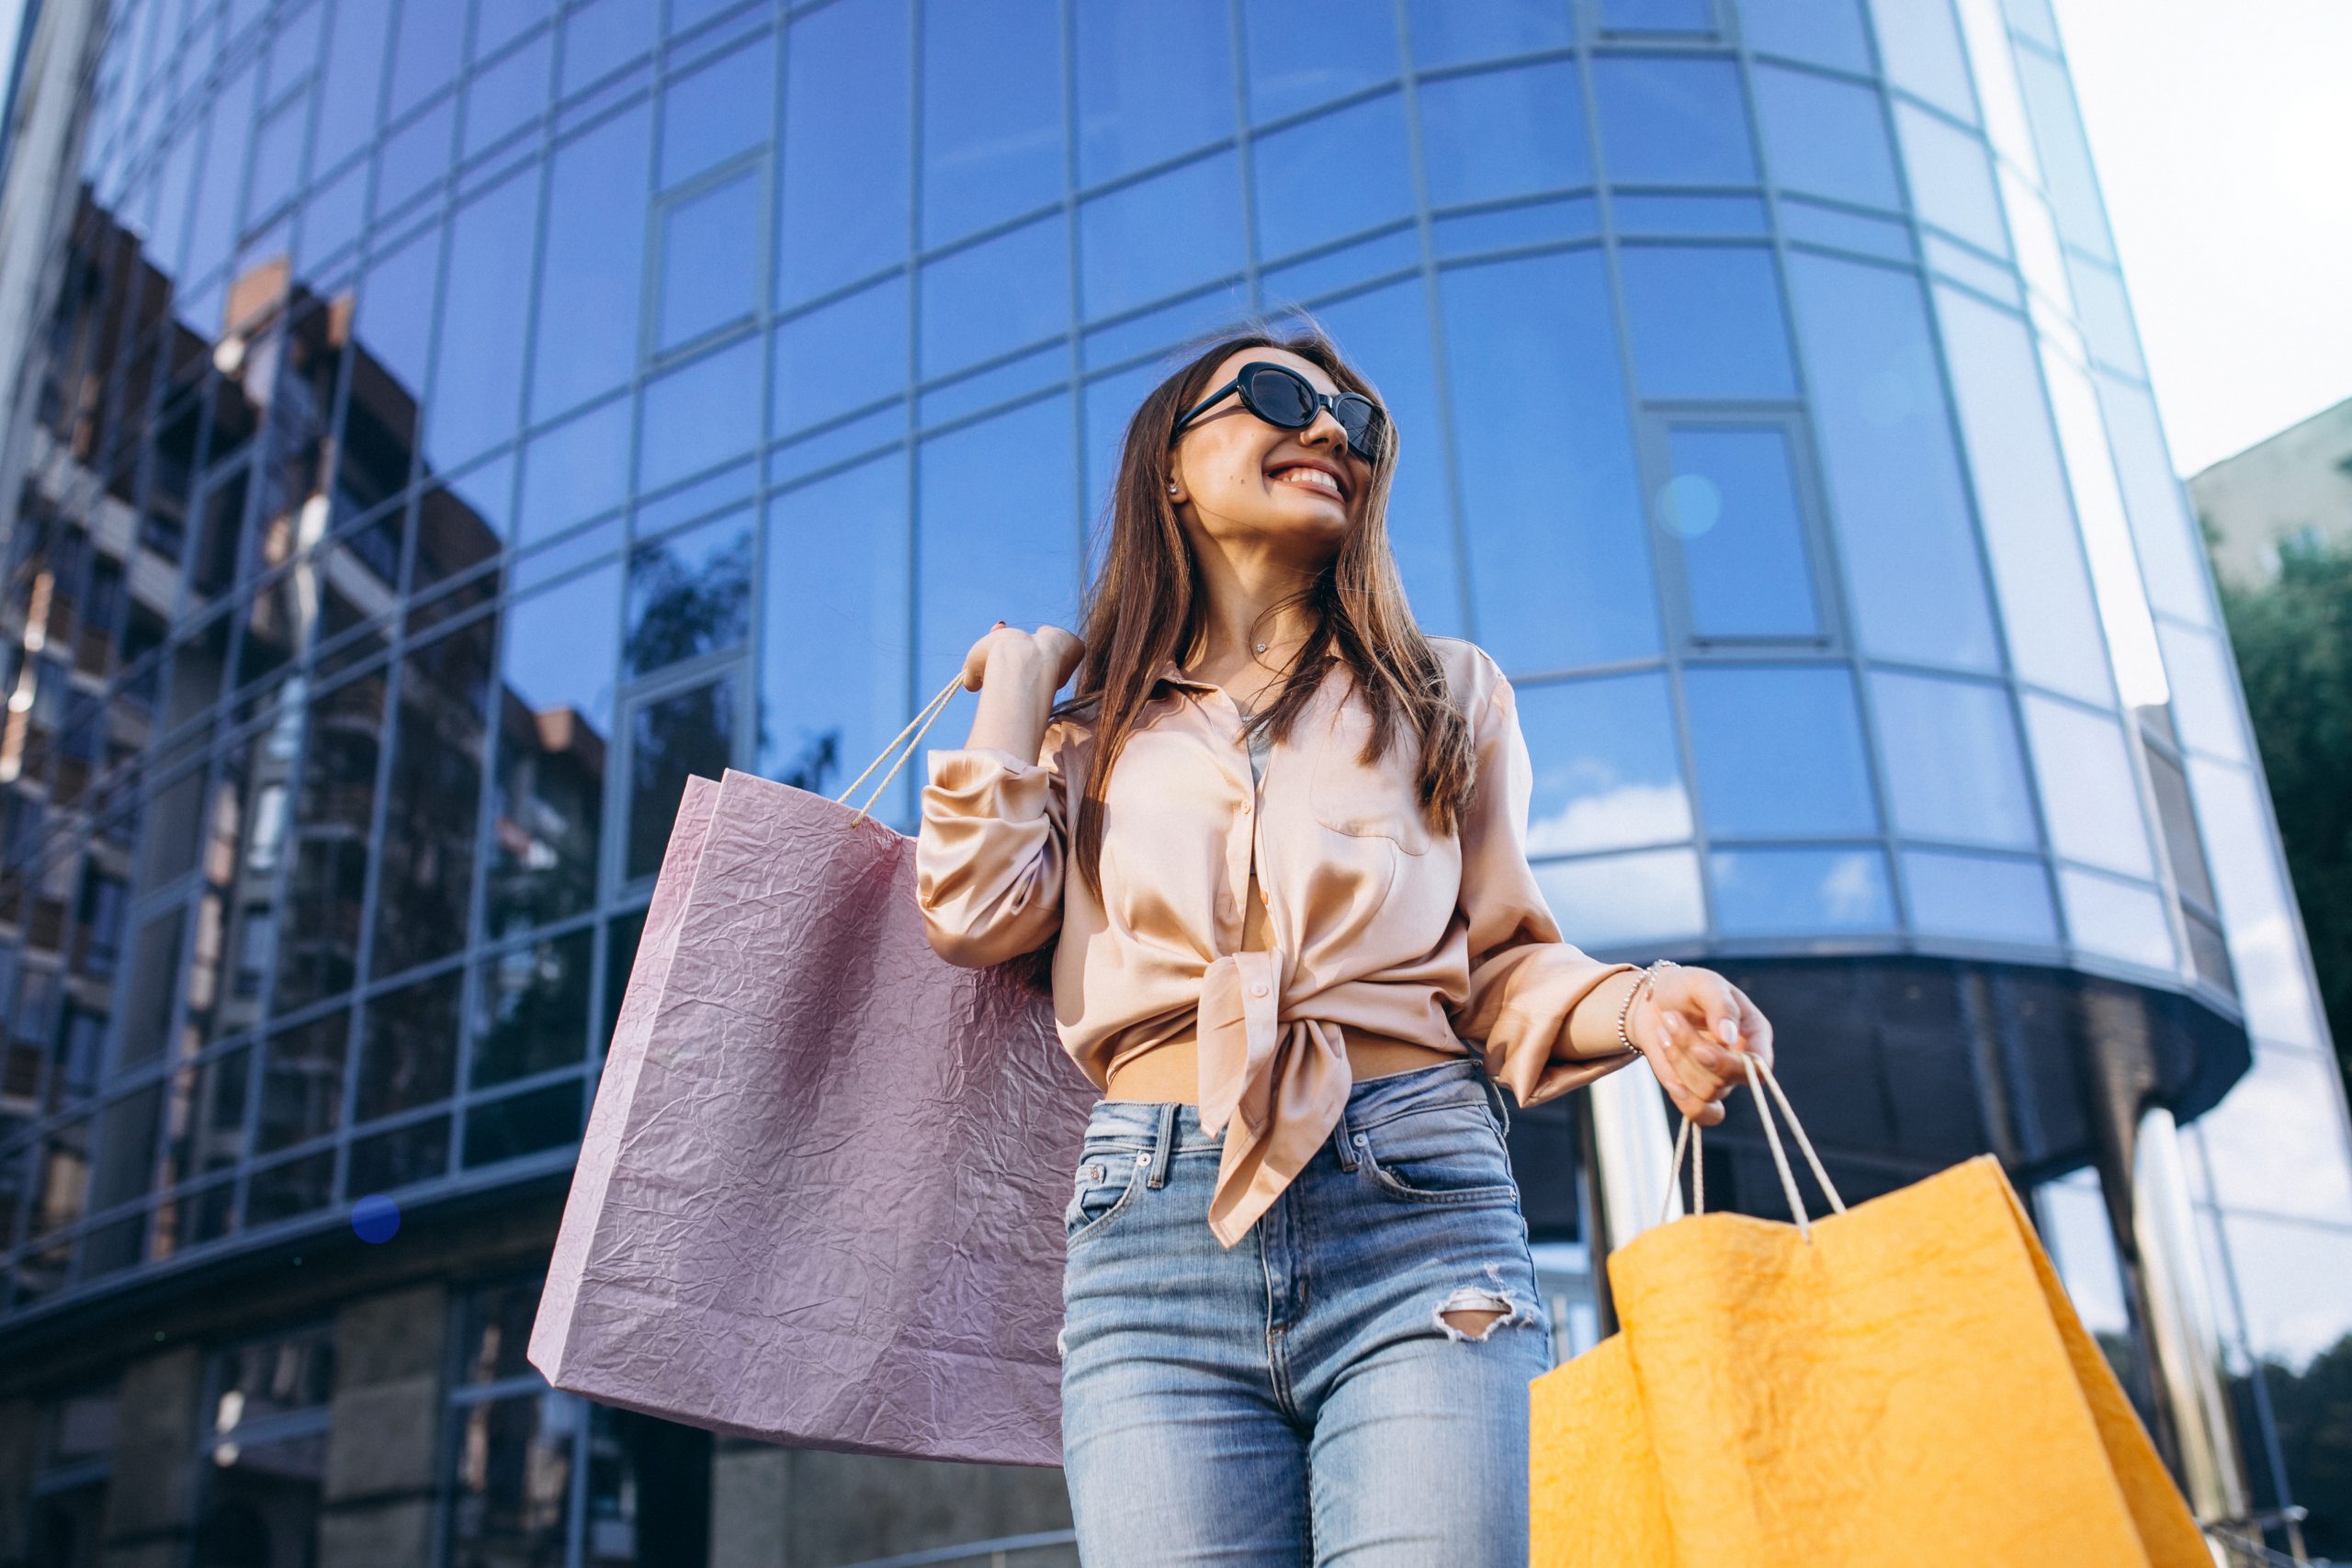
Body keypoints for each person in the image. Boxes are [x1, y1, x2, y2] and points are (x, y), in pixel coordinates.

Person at [913, 319, 1774, 1567]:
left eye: (1356, 422)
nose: (1326, 429)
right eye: (1273, 397)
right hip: (1153, 1236)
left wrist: (1642, 1003)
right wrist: (1015, 692)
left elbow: (1503, 964)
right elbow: (974, 914)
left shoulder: (1445, 693)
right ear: (1170, 465)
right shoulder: (1081, 737)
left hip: (1415, 1210)